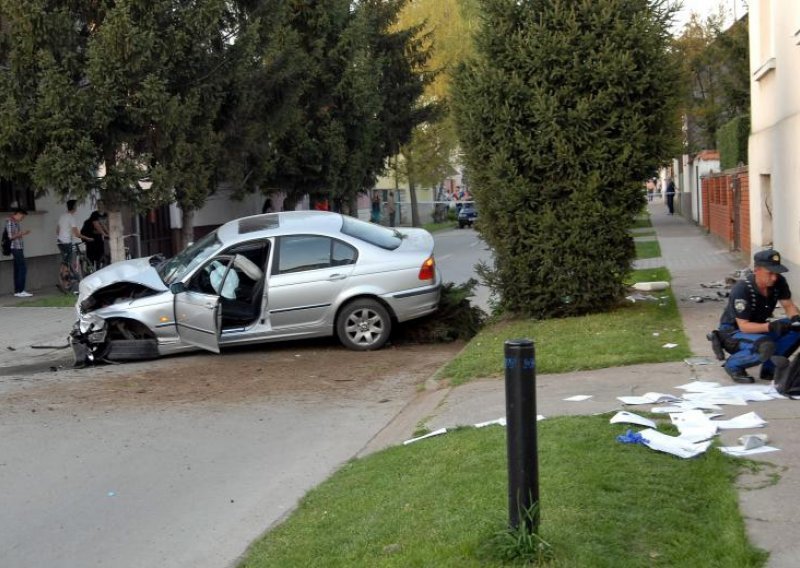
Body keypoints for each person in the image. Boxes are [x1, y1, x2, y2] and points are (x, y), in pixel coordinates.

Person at [711, 249, 800, 383]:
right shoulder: (742, 289)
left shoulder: (779, 282)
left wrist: (795, 319)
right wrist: (772, 326)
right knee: (766, 345)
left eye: (776, 273)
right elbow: (744, 326)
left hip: (758, 330)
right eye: (769, 273)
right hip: (733, 333)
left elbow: (788, 306)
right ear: (756, 270)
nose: (774, 278)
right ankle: (733, 365)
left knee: (797, 329)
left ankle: (769, 369)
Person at [57, 200, 91, 285]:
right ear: (74, 207)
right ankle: (66, 281)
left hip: (60, 242)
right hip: (66, 242)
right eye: (76, 206)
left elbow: (57, 230)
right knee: (68, 261)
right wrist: (87, 238)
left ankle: (64, 283)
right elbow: (77, 234)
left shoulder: (62, 216)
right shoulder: (71, 218)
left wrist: (62, 235)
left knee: (65, 261)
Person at [5, 208, 32, 297]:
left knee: (17, 269)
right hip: (15, 248)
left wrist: (22, 234)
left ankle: (17, 291)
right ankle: (21, 290)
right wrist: (21, 233)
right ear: (18, 214)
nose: (22, 218)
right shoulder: (10, 222)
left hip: (18, 247)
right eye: (22, 216)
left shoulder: (15, 222)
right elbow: (10, 237)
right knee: (22, 268)